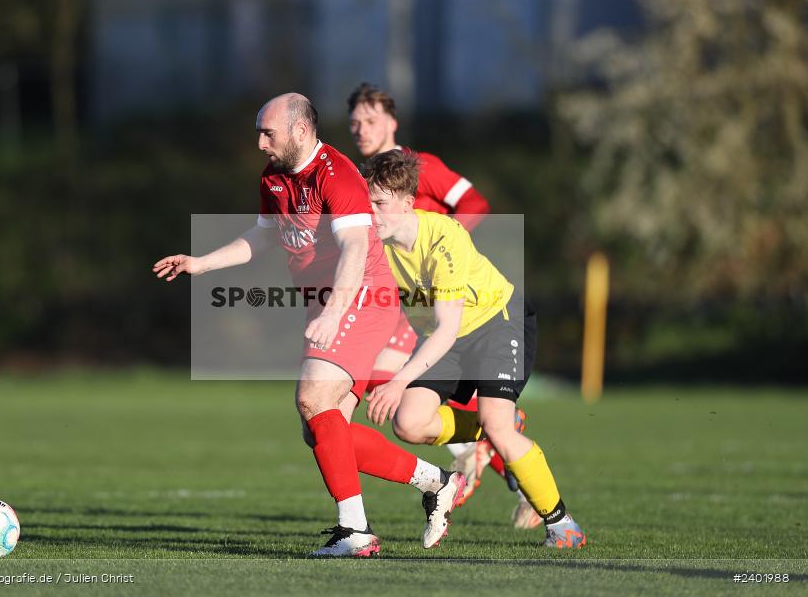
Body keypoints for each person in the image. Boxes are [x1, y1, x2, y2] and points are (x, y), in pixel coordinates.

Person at [153, 94, 465, 558]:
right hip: (330, 304)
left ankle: (355, 532)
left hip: (360, 296)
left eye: (268, 132)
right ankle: (437, 482)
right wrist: (203, 264)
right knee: (322, 427)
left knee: (312, 399)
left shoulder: (335, 174)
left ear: (300, 131)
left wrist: (335, 312)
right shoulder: (274, 177)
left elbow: (356, 250)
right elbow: (262, 236)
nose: (260, 143)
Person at [360, 150, 587, 548]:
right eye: (368, 201)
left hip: (496, 323)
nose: (371, 211)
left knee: (497, 424)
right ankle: (491, 428)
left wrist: (398, 381)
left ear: (407, 202)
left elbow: (447, 329)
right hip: (445, 337)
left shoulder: (443, 237)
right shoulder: (375, 245)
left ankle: (563, 525)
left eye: (379, 203)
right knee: (408, 424)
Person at [347, 83, 538, 528]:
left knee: (386, 377)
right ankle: (482, 438)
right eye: (355, 123)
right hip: (398, 295)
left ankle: (479, 444)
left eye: (371, 121)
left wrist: (442, 245)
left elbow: (475, 203)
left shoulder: (422, 166)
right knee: (384, 380)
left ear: (392, 122)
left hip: (440, 296)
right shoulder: (362, 177)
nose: (361, 130)